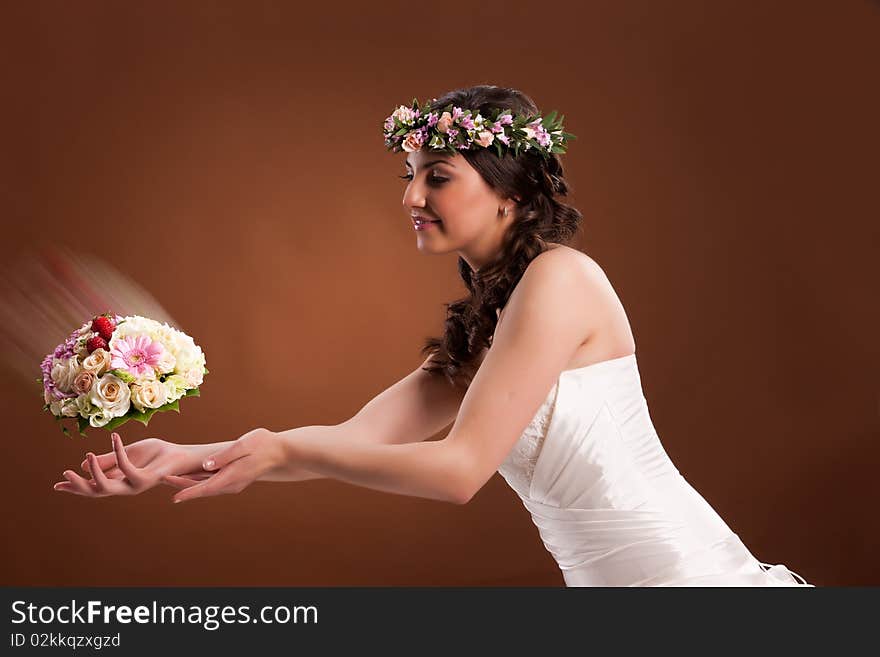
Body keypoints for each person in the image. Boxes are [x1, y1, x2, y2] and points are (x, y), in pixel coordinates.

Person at [54, 85, 813, 587]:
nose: (413, 196)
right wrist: (183, 458)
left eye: (438, 175)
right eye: (409, 177)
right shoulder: (493, 317)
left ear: (512, 192)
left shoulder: (561, 280)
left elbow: (458, 471)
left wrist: (281, 446)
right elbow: (357, 438)